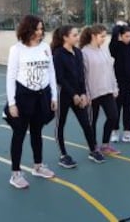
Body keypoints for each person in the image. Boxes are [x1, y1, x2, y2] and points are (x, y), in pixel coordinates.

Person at [5, 15, 58, 189]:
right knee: (19, 134)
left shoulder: (45, 48)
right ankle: (15, 174)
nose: (40, 32)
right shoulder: (17, 49)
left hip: (41, 96)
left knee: (37, 131)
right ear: (28, 29)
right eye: (37, 29)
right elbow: (11, 77)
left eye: (42, 28)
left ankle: (38, 166)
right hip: (23, 96)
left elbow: (51, 72)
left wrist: (53, 96)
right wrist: (12, 103)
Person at [51, 26, 105, 168]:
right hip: (64, 95)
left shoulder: (78, 52)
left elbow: (81, 75)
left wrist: (83, 93)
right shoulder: (58, 54)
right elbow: (60, 78)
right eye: (74, 35)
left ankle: (93, 150)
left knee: (86, 123)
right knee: (60, 124)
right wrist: (73, 94)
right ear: (65, 37)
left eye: (77, 34)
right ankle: (63, 155)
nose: (77, 37)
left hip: (79, 96)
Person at [80, 25, 120, 155]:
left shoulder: (104, 50)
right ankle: (93, 147)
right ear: (93, 36)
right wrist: (87, 94)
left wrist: (114, 87)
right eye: (102, 36)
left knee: (113, 116)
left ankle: (105, 145)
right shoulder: (84, 52)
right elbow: (83, 76)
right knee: (92, 121)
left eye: (105, 36)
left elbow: (111, 69)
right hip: (93, 94)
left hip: (107, 90)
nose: (104, 39)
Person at [109, 21, 130, 144]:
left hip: (129, 83)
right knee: (116, 108)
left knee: (128, 108)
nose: (129, 39)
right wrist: (118, 26)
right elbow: (114, 35)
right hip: (118, 83)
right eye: (126, 36)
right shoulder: (115, 47)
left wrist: (127, 22)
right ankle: (114, 132)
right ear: (121, 36)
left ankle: (127, 134)